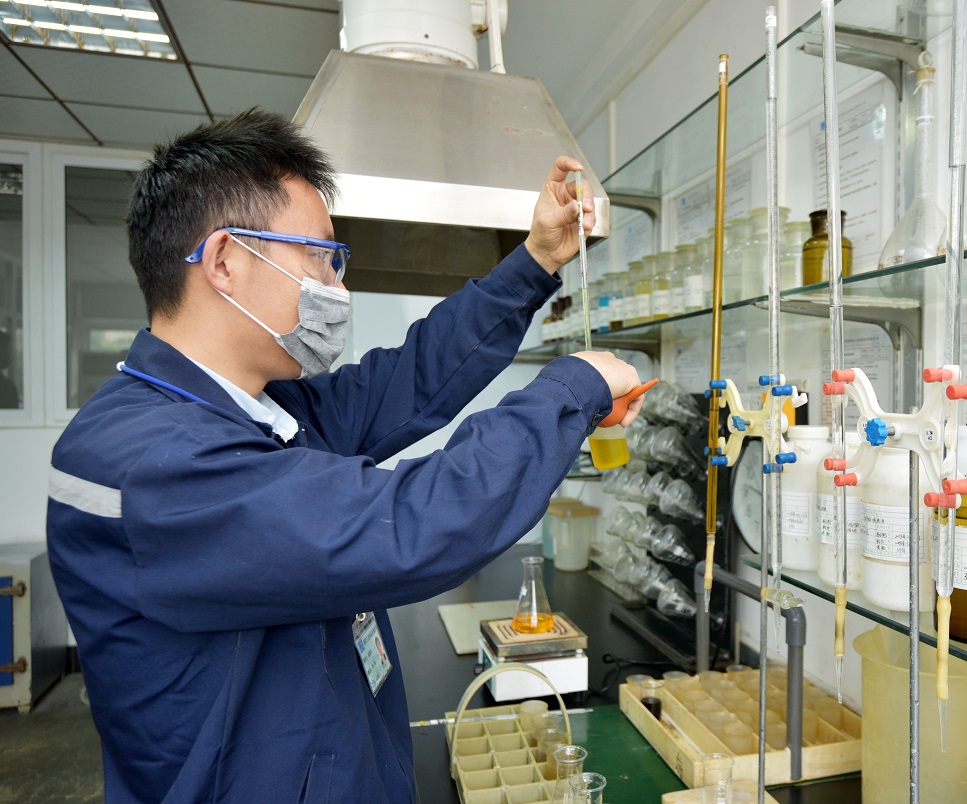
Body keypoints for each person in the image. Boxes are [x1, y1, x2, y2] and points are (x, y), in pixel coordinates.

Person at [46, 110, 643, 802]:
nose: (336, 284)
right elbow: (412, 525)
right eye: (318, 256)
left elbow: (408, 378)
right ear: (225, 262)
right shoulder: (153, 462)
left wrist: (535, 261)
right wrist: (572, 389)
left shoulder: (253, 408)